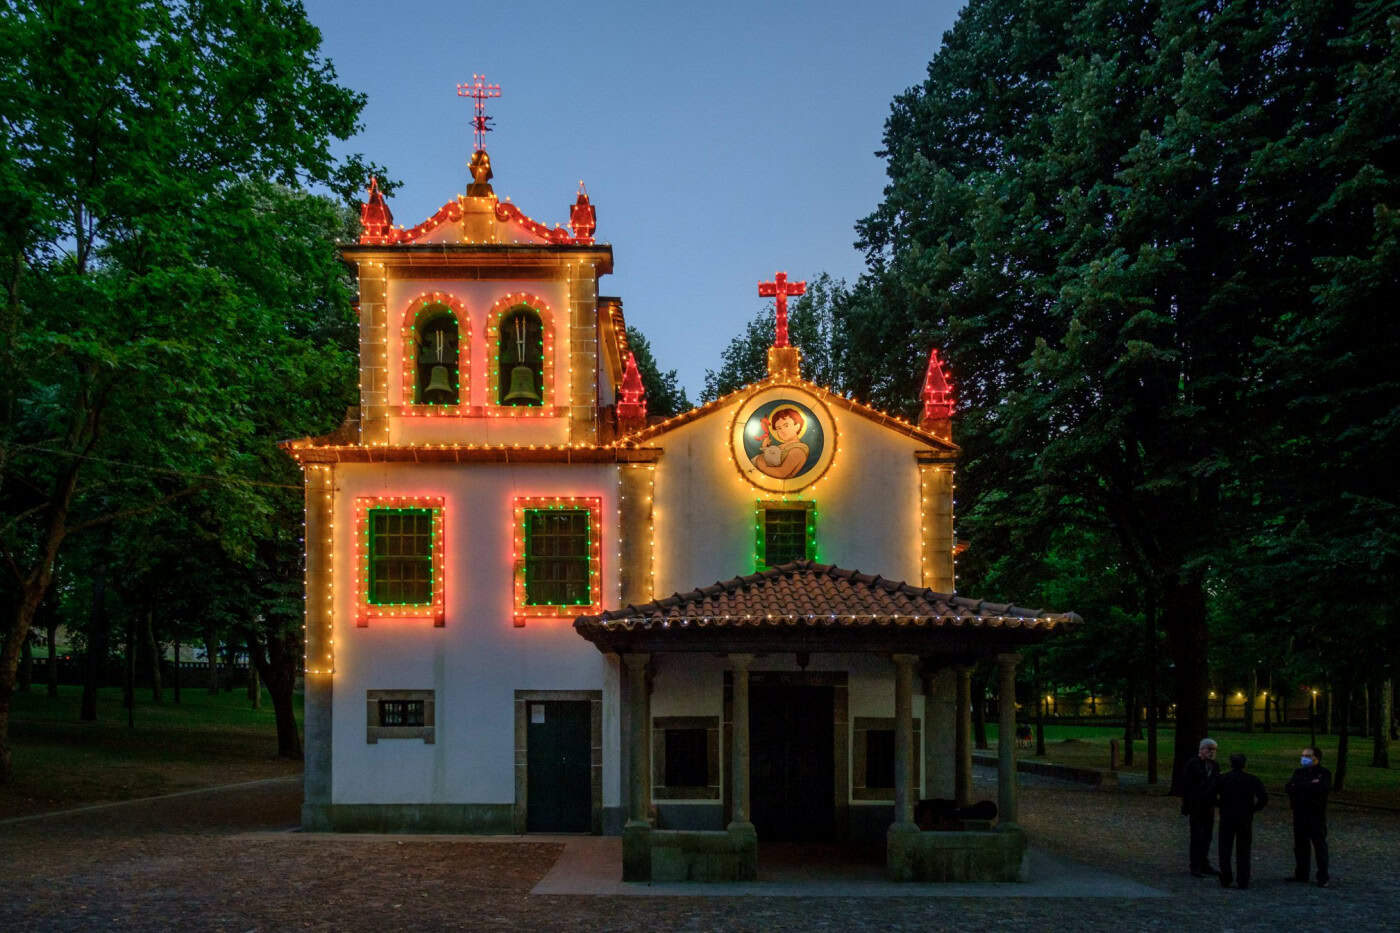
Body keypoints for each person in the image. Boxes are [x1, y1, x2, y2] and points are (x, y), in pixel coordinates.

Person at [1215, 752, 1267, 888]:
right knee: (1243, 849)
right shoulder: (1252, 779)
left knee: (1224, 848)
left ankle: (1226, 877)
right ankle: (1243, 879)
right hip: (1245, 817)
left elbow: (1211, 794)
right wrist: (1253, 809)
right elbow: (1263, 798)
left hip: (1227, 816)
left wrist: (1220, 805)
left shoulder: (1223, 778)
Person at [1285, 745, 1331, 887]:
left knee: (1319, 846)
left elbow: (1321, 789)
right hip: (1299, 813)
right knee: (1300, 845)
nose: (1303, 758)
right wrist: (1309, 785)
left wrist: (1299, 786)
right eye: (1303, 755)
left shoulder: (1324, 773)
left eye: (1307, 755)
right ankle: (1301, 873)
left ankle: (1323, 876)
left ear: (1316, 758)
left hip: (1316, 814)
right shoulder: (1298, 772)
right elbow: (1288, 787)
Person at [1181, 737, 1220, 876]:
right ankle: (1195, 865)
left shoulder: (1214, 765)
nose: (1211, 752)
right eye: (1209, 749)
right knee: (1197, 836)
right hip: (1196, 805)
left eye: (1213, 750)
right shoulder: (1193, 764)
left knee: (1207, 836)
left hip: (1208, 806)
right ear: (1201, 749)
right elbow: (1187, 786)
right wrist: (1186, 805)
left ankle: (1204, 863)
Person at [751, 406, 810, 479]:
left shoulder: (798, 450)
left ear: (797, 426)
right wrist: (765, 448)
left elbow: (781, 473)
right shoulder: (784, 446)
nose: (782, 431)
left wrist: (759, 463)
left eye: (786, 426)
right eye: (779, 428)